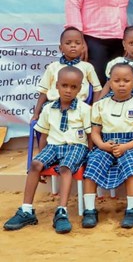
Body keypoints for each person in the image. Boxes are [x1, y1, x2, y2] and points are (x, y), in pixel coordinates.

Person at [4, 67, 91, 233]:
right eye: (64, 85)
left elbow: (90, 135)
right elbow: (43, 135)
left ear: (79, 89)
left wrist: (90, 153)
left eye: (73, 87)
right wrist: (42, 159)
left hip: (76, 146)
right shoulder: (48, 108)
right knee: (35, 164)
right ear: (57, 86)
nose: (68, 90)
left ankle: (61, 212)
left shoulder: (85, 109)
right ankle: (26, 210)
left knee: (65, 168)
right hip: (53, 146)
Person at [82, 63, 133, 229]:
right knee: (93, 163)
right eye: (117, 80)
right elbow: (95, 132)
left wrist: (126, 146)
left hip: (132, 144)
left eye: (126, 81)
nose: (122, 84)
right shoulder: (100, 105)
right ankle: (90, 210)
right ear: (110, 82)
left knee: (131, 166)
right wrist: (102, 145)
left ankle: (131, 209)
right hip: (106, 144)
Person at [33, 27, 101, 121]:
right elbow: (44, 91)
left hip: (79, 107)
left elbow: (97, 89)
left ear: (83, 47)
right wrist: (36, 114)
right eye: (68, 43)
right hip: (53, 106)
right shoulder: (53, 67)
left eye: (77, 43)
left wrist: (94, 108)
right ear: (60, 48)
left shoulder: (87, 67)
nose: (73, 46)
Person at [99, 26, 133, 99]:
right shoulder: (115, 62)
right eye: (131, 43)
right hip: (113, 98)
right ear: (124, 44)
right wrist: (98, 103)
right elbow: (108, 85)